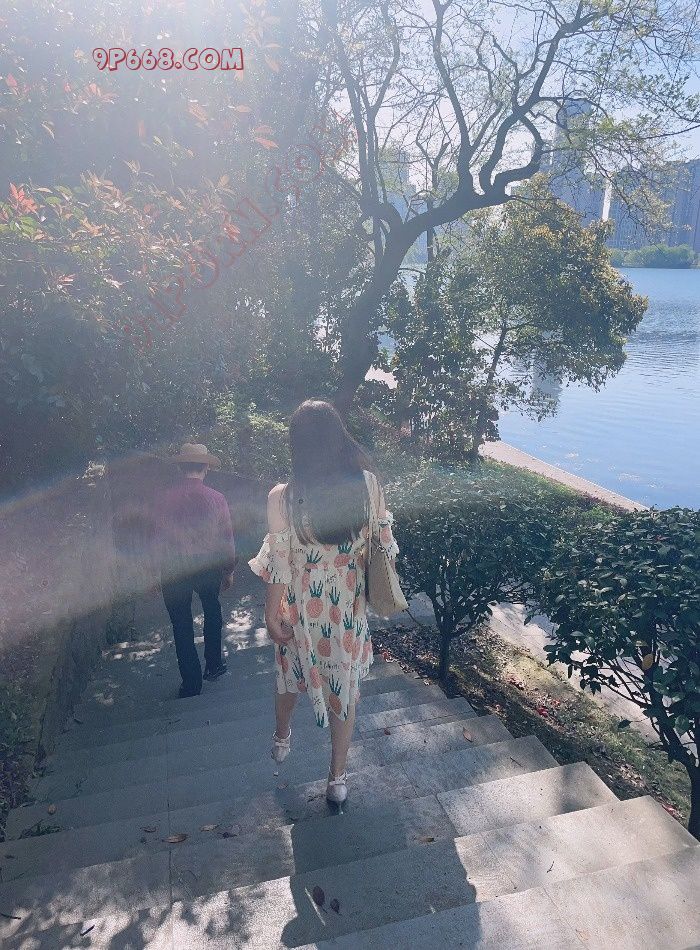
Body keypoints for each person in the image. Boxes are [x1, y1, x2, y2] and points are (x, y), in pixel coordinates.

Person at [249, 400, 399, 804]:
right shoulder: (368, 485)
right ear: (338, 437)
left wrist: (270, 614)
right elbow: (383, 546)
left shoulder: (282, 498)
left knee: (288, 675)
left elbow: (279, 567)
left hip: (299, 608)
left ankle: (282, 735)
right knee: (343, 691)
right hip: (346, 608)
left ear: (296, 445)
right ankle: (337, 779)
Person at [158, 443, 236, 698]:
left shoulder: (165, 499)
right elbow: (226, 538)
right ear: (206, 468)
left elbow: (155, 539)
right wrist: (228, 569)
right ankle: (214, 664)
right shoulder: (217, 498)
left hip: (174, 567)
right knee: (212, 610)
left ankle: (191, 683)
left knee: (181, 623)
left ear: (181, 467)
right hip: (208, 564)